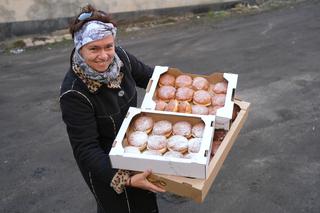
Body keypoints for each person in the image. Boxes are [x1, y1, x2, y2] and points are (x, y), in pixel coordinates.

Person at [59, 4, 165, 213]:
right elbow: (86, 149)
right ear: (80, 48)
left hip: (136, 147)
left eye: (108, 46)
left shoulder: (121, 58)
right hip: (105, 165)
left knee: (145, 205)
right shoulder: (74, 93)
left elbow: (153, 77)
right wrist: (128, 179)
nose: (104, 56)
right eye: (94, 48)